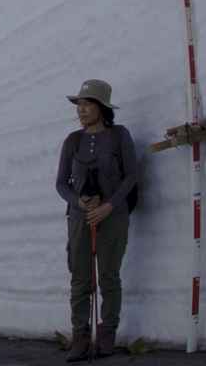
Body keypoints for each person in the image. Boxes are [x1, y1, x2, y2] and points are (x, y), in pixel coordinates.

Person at [56, 79, 143, 361]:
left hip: (113, 216)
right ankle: (80, 338)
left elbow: (131, 176)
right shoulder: (73, 141)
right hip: (80, 218)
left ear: (102, 108)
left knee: (108, 276)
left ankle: (107, 336)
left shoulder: (119, 135)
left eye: (87, 104)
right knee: (80, 279)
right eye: (79, 105)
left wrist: (109, 206)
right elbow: (61, 184)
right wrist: (78, 202)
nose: (81, 110)